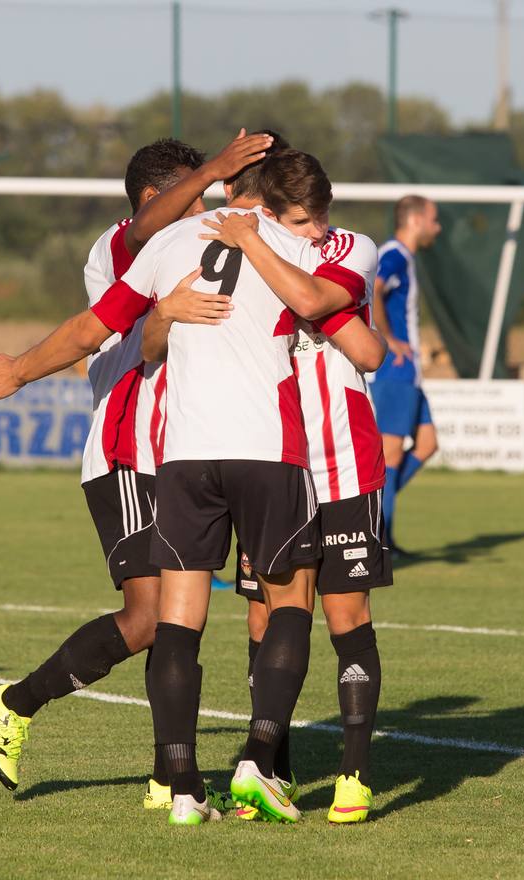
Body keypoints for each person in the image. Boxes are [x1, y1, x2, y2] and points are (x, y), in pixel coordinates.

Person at [0, 132, 272, 802]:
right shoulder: (123, 244)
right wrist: (219, 168)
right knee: (149, 613)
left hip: (188, 449)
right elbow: (98, 315)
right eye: (193, 191)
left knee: (178, 620)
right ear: (156, 197)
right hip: (127, 447)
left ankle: (170, 775)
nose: (204, 204)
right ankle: (14, 703)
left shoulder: (201, 249)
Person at [175, 224, 387, 825]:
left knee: (346, 613)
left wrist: (268, 256)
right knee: (264, 613)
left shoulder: (343, 248)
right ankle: (271, 771)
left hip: (343, 460)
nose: (288, 229)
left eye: (292, 219)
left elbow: (363, 345)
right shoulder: (235, 258)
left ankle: (354, 776)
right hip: (273, 462)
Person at [368, 195, 441, 554]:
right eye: (434, 219)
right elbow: (374, 291)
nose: (437, 227)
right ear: (415, 221)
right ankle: (379, 537)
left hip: (408, 372)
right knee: (391, 454)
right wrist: (390, 339)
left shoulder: (404, 257)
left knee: (427, 443)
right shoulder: (393, 254)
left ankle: (379, 513)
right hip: (394, 370)